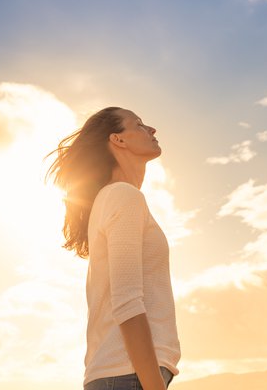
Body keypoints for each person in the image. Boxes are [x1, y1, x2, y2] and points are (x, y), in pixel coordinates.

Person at [46, 107, 180, 390]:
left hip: (122, 376)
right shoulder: (122, 196)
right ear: (118, 140)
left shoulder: (111, 199)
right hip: (128, 376)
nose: (152, 130)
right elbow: (127, 302)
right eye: (140, 124)